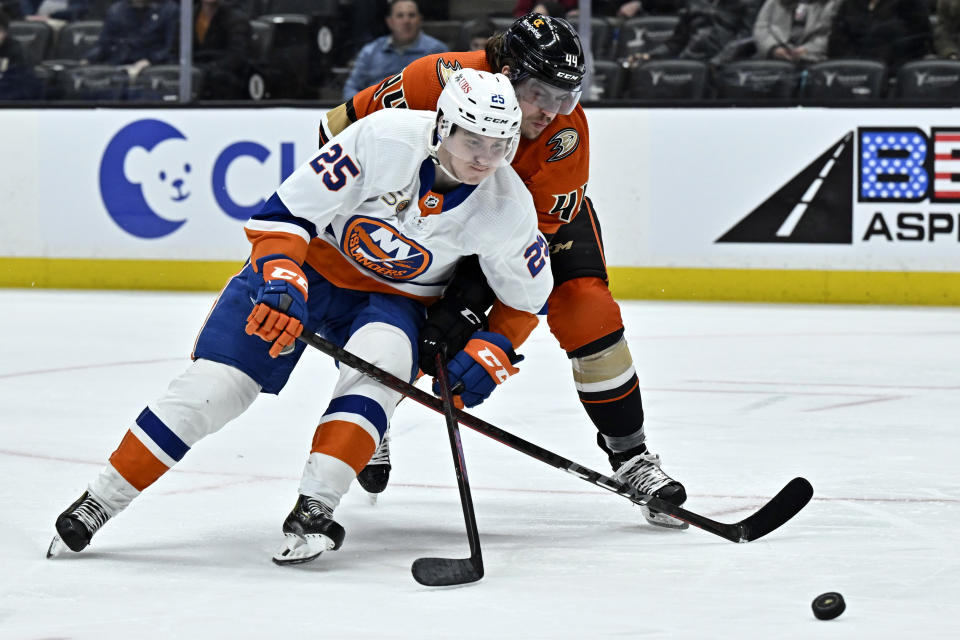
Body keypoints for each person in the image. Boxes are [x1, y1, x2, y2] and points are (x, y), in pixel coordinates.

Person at [47, 68, 553, 566]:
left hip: (395, 300)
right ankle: (100, 500)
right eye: (475, 142)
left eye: (501, 144)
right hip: (311, 266)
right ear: (444, 126)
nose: (487, 158)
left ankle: (316, 509)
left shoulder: (507, 206)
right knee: (215, 387)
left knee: (381, 370)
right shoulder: (382, 138)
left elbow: (526, 298)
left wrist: (495, 347)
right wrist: (282, 277)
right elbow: (286, 213)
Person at [318, 13, 689, 529]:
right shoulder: (435, 79)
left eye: (568, 95)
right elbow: (337, 128)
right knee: (400, 315)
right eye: (542, 93)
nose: (555, 111)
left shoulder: (565, 134)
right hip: (432, 208)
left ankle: (632, 457)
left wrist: (478, 314)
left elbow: (530, 247)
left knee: (588, 309)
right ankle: (371, 408)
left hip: (520, 224)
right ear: (507, 71)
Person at [341, 0, 446, 100]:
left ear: (420, 20)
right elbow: (350, 88)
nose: (406, 21)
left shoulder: (437, 51)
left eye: (411, 15)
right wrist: (363, 109)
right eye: (400, 16)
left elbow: (449, 91)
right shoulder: (370, 51)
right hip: (375, 114)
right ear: (390, 22)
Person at [636, 0, 761, 63]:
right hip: (689, 61)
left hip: (725, 65)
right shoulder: (694, 2)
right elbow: (676, 42)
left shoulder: (750, 3)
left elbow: (746, 39)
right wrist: (650, 56)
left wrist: (715, 63)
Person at [84, 0, 177, 79]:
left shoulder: (170, 10)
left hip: (153, 74)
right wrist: (87, 60)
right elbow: (104, 45)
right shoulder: (117, 11)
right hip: (119, 72)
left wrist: (149, 61)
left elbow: (172, 49)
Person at [827, 0, 931, 70]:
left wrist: (878, 63)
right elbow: (837, 40)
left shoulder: (910, 3)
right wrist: (854, 63)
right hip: (851, 70)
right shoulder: (850, 3)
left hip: (894, 72)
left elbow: (915, 39)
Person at [192, 0, 251, 99]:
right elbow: (175, 51)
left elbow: (237, 57)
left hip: (223, 81)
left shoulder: (236, 19)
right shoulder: (188, 16)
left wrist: (206, 70)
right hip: (192, 76)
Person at [753, 0, 839, 63]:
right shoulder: (773, 2)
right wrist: (773, 48)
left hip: (813, 59)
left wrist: (807, 49)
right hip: (775, 58)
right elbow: (761, 28)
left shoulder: (832, 4)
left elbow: (829, 34)